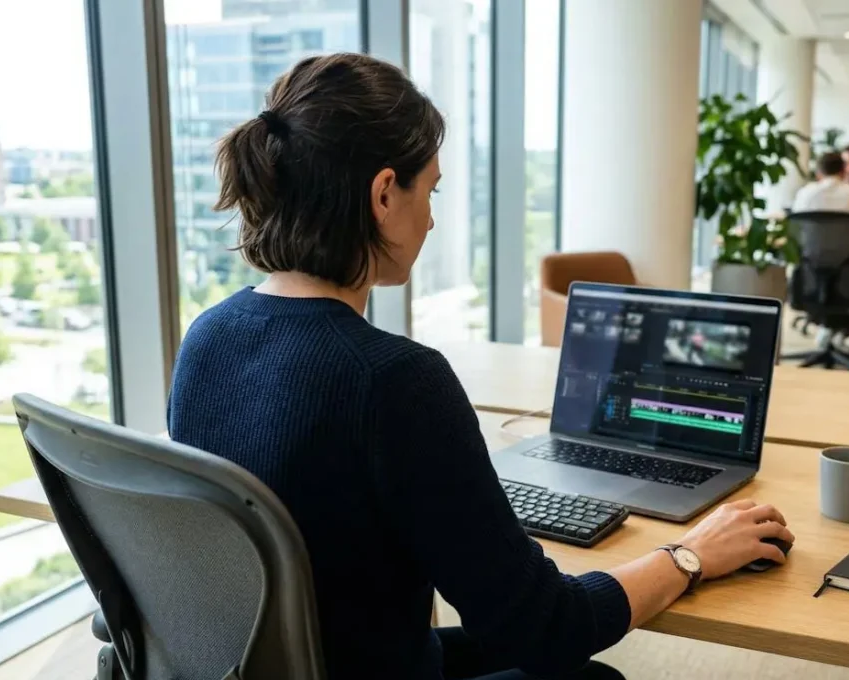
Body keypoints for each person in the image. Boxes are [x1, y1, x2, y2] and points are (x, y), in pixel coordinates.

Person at [168, 53, 795, 680]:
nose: (434, 216)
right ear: (384, 194)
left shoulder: (206, 338)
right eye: (430, 189)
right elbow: (546, 626)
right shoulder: (395, 380)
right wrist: (689, 554)